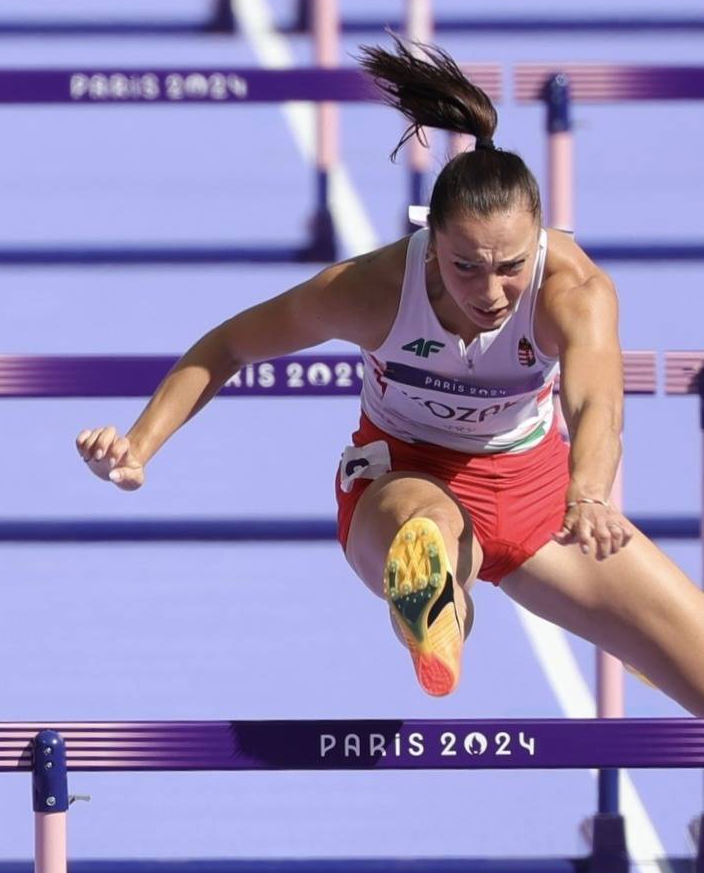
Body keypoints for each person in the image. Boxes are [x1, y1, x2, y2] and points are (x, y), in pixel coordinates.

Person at [75, 40, 704, 714]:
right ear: (430, 243)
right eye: (466, 266)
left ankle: (453, 612)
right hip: (403, 479)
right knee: (425, 537)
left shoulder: (573, 289)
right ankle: (438, 613)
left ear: (540, 241)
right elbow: (230, 343)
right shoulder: (373, 288)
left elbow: (597, 403)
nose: (491, 291)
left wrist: (588, 492)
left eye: (511, 266)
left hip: (542, 496)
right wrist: (139, 445)